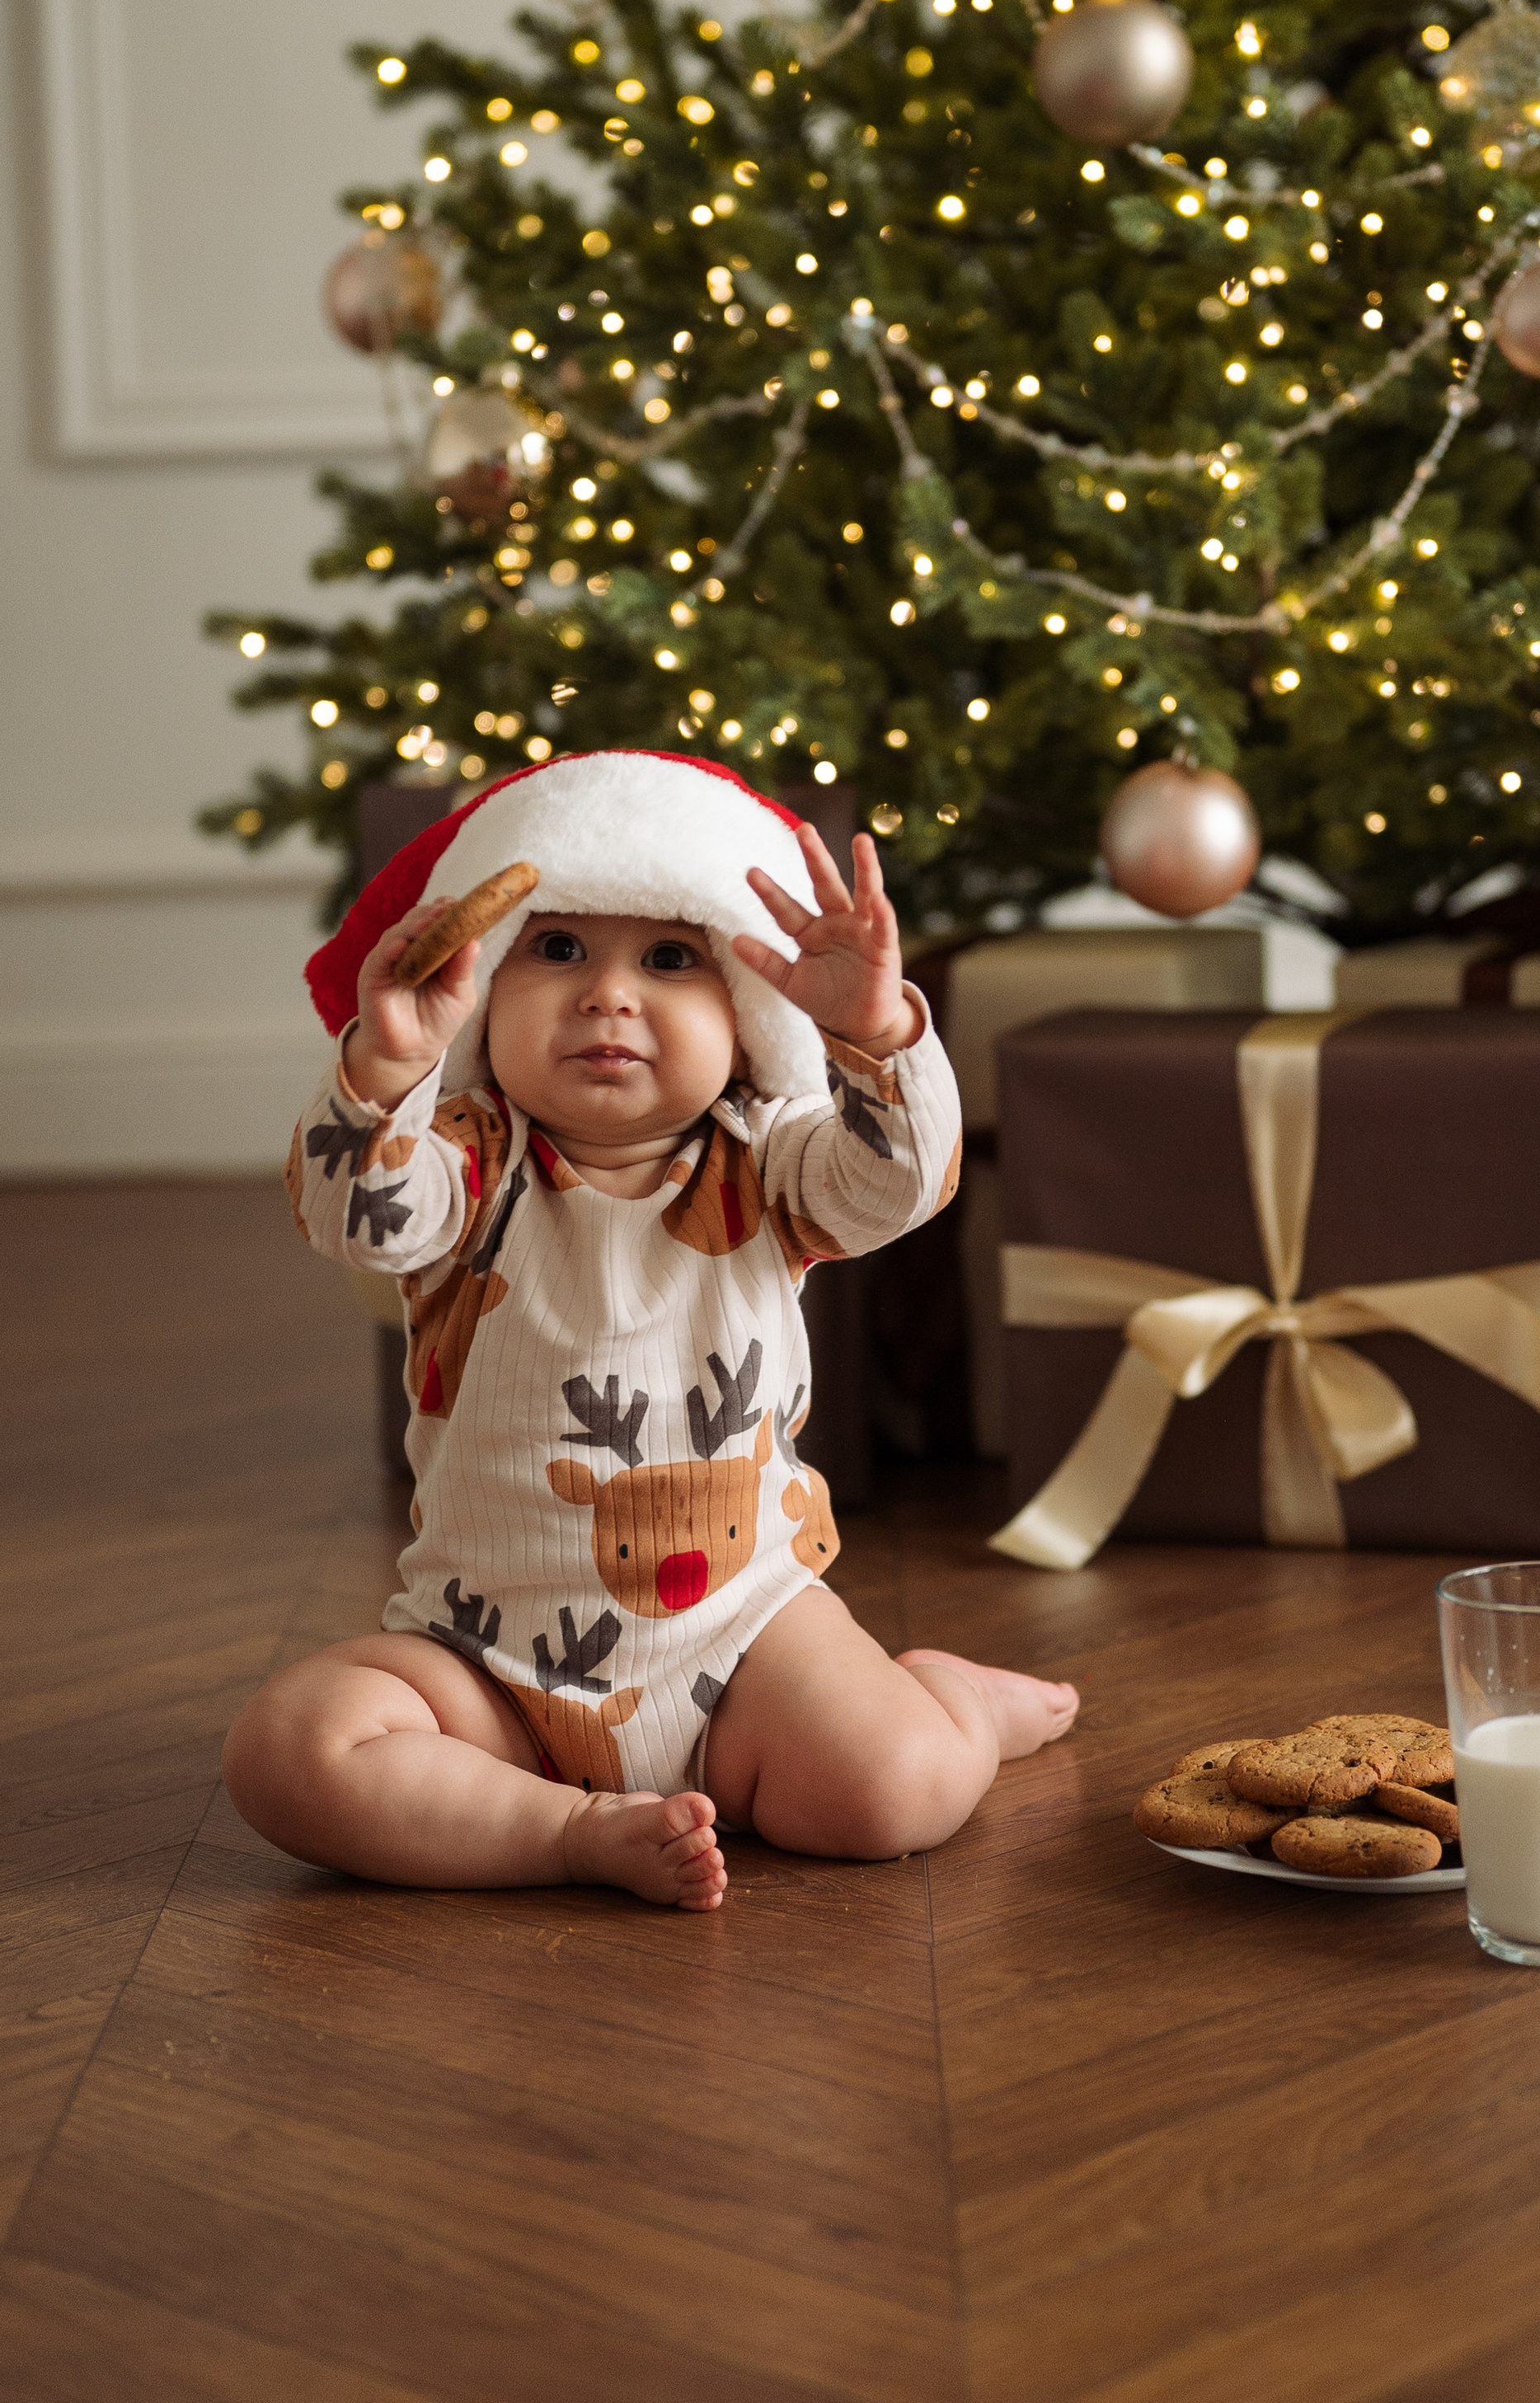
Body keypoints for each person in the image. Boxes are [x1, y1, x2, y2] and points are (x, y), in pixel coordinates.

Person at [223, 747, 1078, 1912]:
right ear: (478, 989)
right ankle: (565, 1830)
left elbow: (902, 1185)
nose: (607, 995)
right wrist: (388, 1065)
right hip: (485, 1665)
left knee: (894, 1790)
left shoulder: (772, 1159)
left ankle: (956, 1704)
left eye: (670, 958)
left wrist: (876, 1038)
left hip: (745, 1642)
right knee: (291, 1747)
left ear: (748, 1010)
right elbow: (357, 1217)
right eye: (559, 948)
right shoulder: (466, 1163)